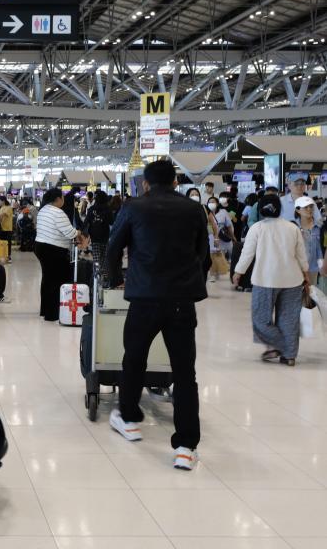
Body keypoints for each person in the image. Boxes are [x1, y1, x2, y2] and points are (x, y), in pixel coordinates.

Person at [106, 160, 208, 471]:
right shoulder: (193, 210)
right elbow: (202, 254)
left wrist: (116, 280)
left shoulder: (134, 207)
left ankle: (130, 418)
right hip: (180, 300)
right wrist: (192, 284)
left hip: (144, 298)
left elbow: (113, 248)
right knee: (183, 373)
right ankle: (186, 447)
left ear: (146, 183)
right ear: (176, 182)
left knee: (134, 359)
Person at [233, 194, 309, 366]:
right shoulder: (292, 227)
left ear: (260, 209)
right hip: (292, 280)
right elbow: (301, 254)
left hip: (264, 280)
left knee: (260, 319)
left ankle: (279, 345)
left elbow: (247, 254)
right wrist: (305, 273)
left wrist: (238, 272)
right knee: (289, 319)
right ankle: (289, 355)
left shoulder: (257, 228)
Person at [34, 188, 80, 322]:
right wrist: (78, 232)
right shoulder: (58, 212)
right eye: (62, 198)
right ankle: (53, 313)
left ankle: (46, 310)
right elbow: (69, 232)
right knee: (57, 280)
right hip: (53, 249)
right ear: (58, 199)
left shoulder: (43, 210)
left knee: (48, 279)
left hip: (41, 246)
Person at [84, 191, 114, 284]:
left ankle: (96, 276)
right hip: (105, 236)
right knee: (104, 256)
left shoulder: (92, 208)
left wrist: (83, 233)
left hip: (94, 236)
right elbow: (112, 222)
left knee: (96, 256)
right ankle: (105, 277)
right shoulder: (108, 209)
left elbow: (86, 222)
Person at [293, 196, 322, 287]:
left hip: (317, 270)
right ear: (298, 210)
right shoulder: (293, 228)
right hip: (298, 270)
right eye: (305, 207)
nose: (309, 209)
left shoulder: (320, 227)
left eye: (311, 206)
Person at [208, 196, 235, 263]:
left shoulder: (223, 212)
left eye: (213, 202)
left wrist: (233, 236)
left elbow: (229, 225)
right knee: (214, 259)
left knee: (226, 255)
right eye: (209, 202)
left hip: (223, 237)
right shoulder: (206, 212)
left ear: (217, 203)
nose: (211, 203)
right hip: (211, 238)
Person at [0, 196, 14, 262]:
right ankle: (3, 256)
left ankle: (9, 257)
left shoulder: (8, 208)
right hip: (1, 228)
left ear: (3, 201)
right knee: (2, 243)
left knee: (8, 243)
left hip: (7, 229)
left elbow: (1, 215)